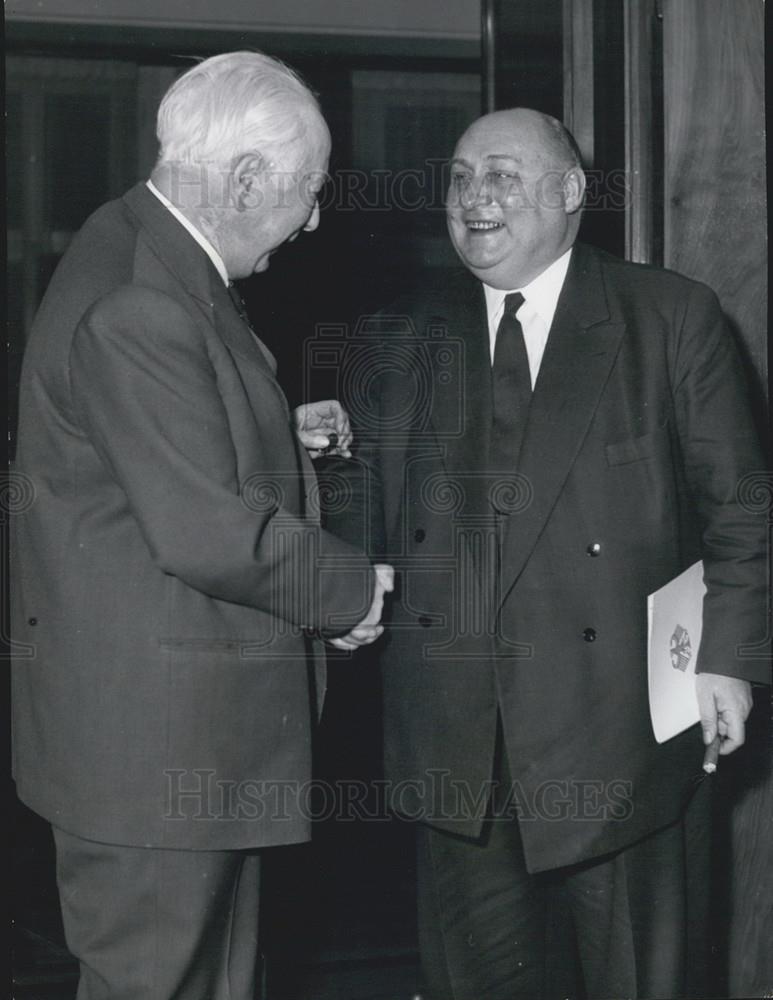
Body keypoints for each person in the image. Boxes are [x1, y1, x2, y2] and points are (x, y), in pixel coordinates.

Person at [323, 108, 769, 999]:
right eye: (457, 177)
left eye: (500, 174)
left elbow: (743, 513)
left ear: (569, 194)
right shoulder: (399, 336)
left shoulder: (668, 317)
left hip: (620, 745)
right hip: (460, 755)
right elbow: (363, 515)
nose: (472, 197)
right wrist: (321, 474)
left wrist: (729, 662)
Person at [11, 51, 392, 1000]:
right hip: (157, 768)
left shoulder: (136, 243)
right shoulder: (141, 291)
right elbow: (205, 532)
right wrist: (354, 588)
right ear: (249, 179)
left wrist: (278, 438)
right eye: (305, 194)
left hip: (188, 755)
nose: (311, 220)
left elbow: (148, 454)